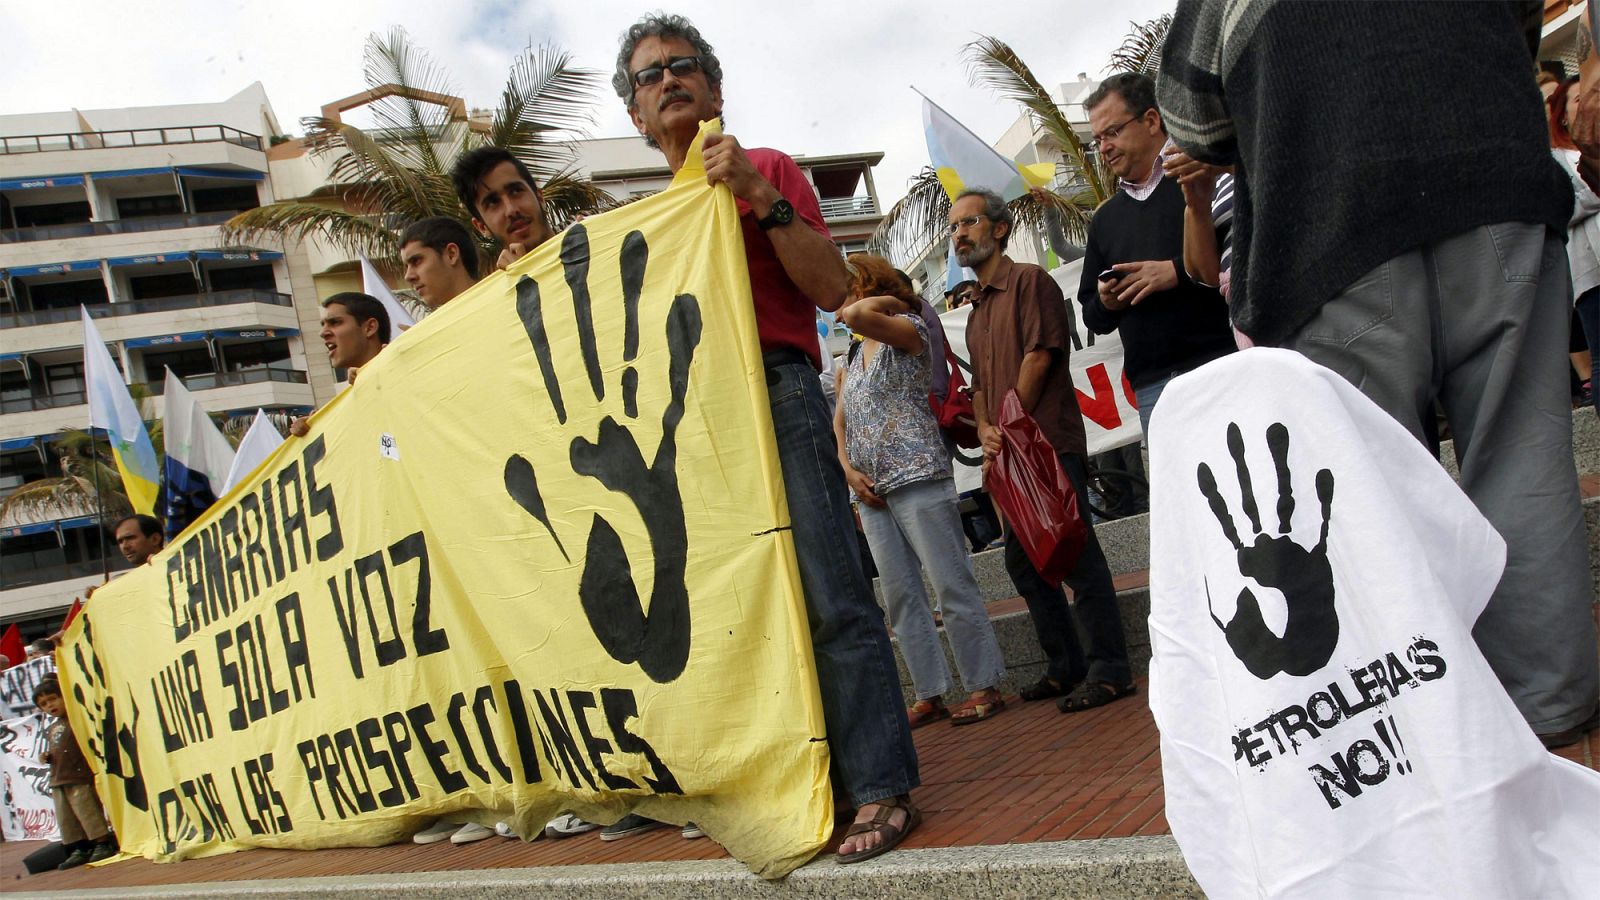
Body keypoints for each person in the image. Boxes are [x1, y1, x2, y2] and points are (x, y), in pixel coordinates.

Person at [1159, 0, 1599, 748]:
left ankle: (1438, 733)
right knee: (1523, 454)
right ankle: (1550, 706)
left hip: (1333, 237)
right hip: (1496, 192)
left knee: (1375, 503)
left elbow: (1192, 118)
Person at [611, 13, 919, 862]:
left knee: (830, 590)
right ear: (636, 118)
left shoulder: (771, 170)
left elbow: (827, 289)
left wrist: (756, 193)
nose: (668, 81)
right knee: (748, 612)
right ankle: (815, 781)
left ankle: (884, 783)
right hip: (700, 419)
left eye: (683, 67)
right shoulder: (644, 224)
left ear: (714, 89)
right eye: (649, 76)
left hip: (777, 392)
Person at [955, 188, 1136, 715]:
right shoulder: (974, 310)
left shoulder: (1029, 281)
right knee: (1023, 562)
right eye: (954, 227)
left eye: (969, 222)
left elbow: (1040, 356)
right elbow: (981, 387)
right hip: (1008, 453)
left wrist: (1007, 423)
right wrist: (988, 429)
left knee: (1077, 555)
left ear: (999, 228)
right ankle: (1066, 666)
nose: (959, 234)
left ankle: (1111, 671)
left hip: (1046, 443)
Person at [835, 253, 1009, 727]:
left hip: (917, 473)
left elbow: (854, 314)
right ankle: (929, 691)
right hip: (870, 490)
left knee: (949, 580)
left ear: (866, 286)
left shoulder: (909, 328)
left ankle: (983, 683)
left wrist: (883, 299)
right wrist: (848, 469)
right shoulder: (849, 356)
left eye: (845, 285)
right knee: (901, 597)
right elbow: (841, 423)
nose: (834, 298)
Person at [1078, 73, 1235, 435]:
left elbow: (1240, 259)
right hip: (1153, 391)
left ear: (1151, 121)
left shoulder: (1204, 174)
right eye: (1098, 139)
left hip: (1222, 362)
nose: (1103, 147)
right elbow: (1092, 316)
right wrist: (1108, 302)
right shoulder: (1104, 219)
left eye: (1112, 132)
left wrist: (1176, 272)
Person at [1548, 78, 1600, 413]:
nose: (1589, 104)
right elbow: (1565, 205)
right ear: (1563, 116)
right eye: (1579, 99)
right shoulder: (1555, 158)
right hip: (1592, 273)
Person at [34, 678, 117, 868]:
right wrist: (45, 756)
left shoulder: (78, 719)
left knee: (87, 811)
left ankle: (101, 842)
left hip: (78, 774)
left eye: (53, 699)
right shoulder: (53, 727)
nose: (50, 705)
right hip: (58, 777)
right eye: (44, 704)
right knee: (66, 817)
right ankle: (80, 847)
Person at [290, 293, 391, 437]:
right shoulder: (346, 409)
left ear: (369, 328)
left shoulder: (412, 374)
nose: (323, 333)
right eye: (323, 325)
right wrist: (321, 430)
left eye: (335, 322)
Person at [449, 147, 555, 272]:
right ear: (481, 227)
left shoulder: (584, 243)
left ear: (540, 198)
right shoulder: (499, 290)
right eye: (493, 202)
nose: (511, 210)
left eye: (516, 191)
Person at [399, 216, 481, 310]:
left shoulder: (499, 306)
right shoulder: (440, 323)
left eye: (416, 261)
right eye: (406, 266)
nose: (408, 276)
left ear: (451, 254)